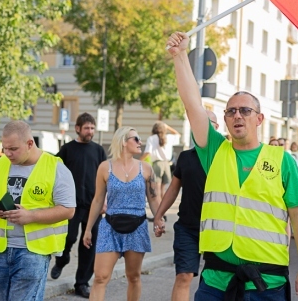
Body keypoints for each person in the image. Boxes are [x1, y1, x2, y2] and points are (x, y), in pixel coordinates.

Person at [167, 32, 298, 300]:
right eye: (231, 111)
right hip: (216, 280)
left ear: (259, 119)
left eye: (245, 111)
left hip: (266, 282)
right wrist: (179, 56)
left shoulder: (282, 160)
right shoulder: (214, 151)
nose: (237, 115)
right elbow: (192, 104)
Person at [0, 120, 76, 300]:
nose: (7, 153)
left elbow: (68, 210)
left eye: (13, 149)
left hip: (33, 253)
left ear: (29, 143)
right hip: (1, 251)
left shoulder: (56, 167)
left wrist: (31, 216)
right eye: (4, 148)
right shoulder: (0, 164)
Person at [82, 127, 161, 300]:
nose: (140, 142)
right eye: (136, 139)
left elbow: (154, 199)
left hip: (137, 227)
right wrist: (88, 229)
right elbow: (97, 200)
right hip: (110, 227)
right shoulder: (105, 167)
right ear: (124, 141)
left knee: (133, 276)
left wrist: (158, 220)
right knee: (100, 277)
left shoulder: (146, 168)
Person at [153, 111, 219, 301]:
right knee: (183, 276)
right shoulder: (185, 157)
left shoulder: (225, 156)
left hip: (217, 230)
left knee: (214, 282)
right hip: (188, 228)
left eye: (206, 123)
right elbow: (173, 189)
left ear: (216, 128)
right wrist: (159, 215)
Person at [49, 113, 107, 298]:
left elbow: (107, 177)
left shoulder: (99, 151)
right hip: (71, 205)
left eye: (92, 128)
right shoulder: (67, 149)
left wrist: (105, 200)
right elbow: (54, 172)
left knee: (89, 245)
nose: (90, 131)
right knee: (69, 238)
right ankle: (62, 260)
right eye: (86, 128)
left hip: (94, 205)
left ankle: (82, 283)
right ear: (78, 129)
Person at [141, 121, 180, 200]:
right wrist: (167, 126)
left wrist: (139, 160)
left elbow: (148, 152)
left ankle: (158, 205)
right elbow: (178, 135)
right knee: (163, 188)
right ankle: (163, 206)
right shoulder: (168, 137)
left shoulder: (151, 138)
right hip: (166, 164)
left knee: (157, 187)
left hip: (157, 164)